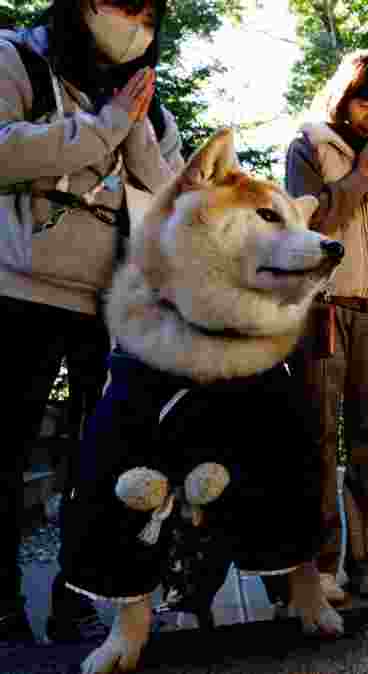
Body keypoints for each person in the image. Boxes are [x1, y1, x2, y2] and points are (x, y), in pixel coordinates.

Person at [0, 0, 184, 645]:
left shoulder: (149, 105)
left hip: (106, 304)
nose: (133, 23)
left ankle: (75, 595)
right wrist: (102, 127)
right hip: (17, 288)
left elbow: (173, 199)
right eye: (118, 4)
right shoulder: (15, 57)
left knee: (97, 458)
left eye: (146, 13)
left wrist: (132, 129)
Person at [281, 48, 368, 601]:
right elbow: (311, 223)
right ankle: (317, 564)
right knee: (318, 437)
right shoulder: (309, 144)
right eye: (367, 101)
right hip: (325, 306)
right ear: (345, 96)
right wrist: (359, 176)